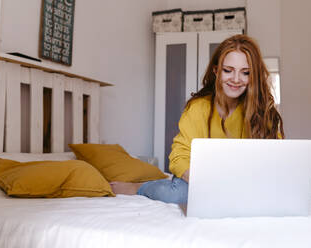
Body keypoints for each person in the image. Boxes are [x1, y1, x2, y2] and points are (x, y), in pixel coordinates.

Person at [110, 34, 284, 204]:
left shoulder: (262, 112)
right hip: (198, 178)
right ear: (216, 70)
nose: (236, 79)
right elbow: (179, 156)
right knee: (177, 195)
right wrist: (205, 184)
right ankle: (140, 187)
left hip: (242, 182)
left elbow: (277, 158)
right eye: (228, 70)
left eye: (245, 73)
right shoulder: (199, 107)